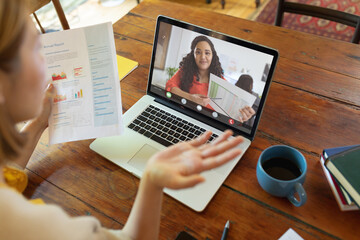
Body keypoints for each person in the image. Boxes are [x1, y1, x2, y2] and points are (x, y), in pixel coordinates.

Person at [0, 1, 244, 239]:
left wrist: (41, 121)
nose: (46, 60)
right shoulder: (36, 227)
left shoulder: (218, 77)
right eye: (35, 48)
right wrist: (152, 179)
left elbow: (5, 173)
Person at [165, 35, 254, 123]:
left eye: (207, 53)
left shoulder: (222, 83)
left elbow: (231, 115)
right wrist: (191, 98)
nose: (203, 57)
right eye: (198, 52)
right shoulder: (184, 71)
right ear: (193, 55)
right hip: (182, 119)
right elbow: (169, 87)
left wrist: (243, 115)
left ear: (212, 56)